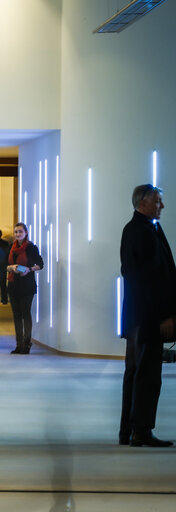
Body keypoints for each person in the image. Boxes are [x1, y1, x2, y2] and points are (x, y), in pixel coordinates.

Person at [119, 185, 176, 447]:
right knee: (146, 375)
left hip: (141, 316)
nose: (161, 206)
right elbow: (143, 279)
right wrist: (165, 315)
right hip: (146, 317)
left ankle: (130, 431)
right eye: (157, 201)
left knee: (138, 372)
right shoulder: (138, 231)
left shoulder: (147, 228)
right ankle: (139, 430)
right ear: (142, 203)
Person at [6, 223, 44, 355]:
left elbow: (40, 264)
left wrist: (29, 269)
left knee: (25, 314)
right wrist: (11, 268)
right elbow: (6, 265)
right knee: (16, 316)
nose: (18, 234)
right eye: (16, 232)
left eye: (20, 232)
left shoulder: (31, 248)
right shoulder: (11, 248)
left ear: (26, 232)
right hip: (13, 284)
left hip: (27, 285)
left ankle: (27, 344)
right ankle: (19, 344)